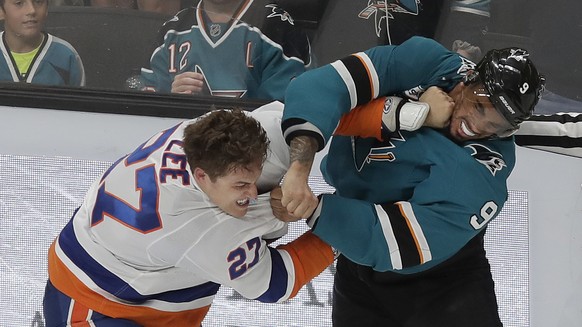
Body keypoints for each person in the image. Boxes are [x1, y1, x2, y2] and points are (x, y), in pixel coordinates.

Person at [279, 36, 544, 326]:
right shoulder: (427, 62)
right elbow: (319, 86)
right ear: (469, 79)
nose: (477, 127)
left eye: (497, 126)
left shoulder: (485, 169)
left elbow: (392, 244)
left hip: (443, 282)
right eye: (479, 107)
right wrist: (299, 168)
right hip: (359, 266)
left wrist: (311, 209)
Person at [42, 102, 335, 326]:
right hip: (96, 302)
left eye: (254, 180)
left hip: (149, 271)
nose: (250, 192)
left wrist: (297, 171)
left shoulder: (218, 140)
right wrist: (342, 228)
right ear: (202, 175)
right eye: (242, 185)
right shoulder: (196, 227)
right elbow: (275, 284)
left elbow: (313, 101)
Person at [139, 0, 312, 101]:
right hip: (183, 149)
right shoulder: (172, 30)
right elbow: (146, 101)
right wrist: (173, 98)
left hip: (251, 154)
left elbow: (283, 111)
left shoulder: (278, 27)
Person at [0, 0, 85, 86]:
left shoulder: (66, 55)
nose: (32, 10)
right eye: (19, 3)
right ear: (1, 11)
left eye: (38, 2)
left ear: (47, 8)